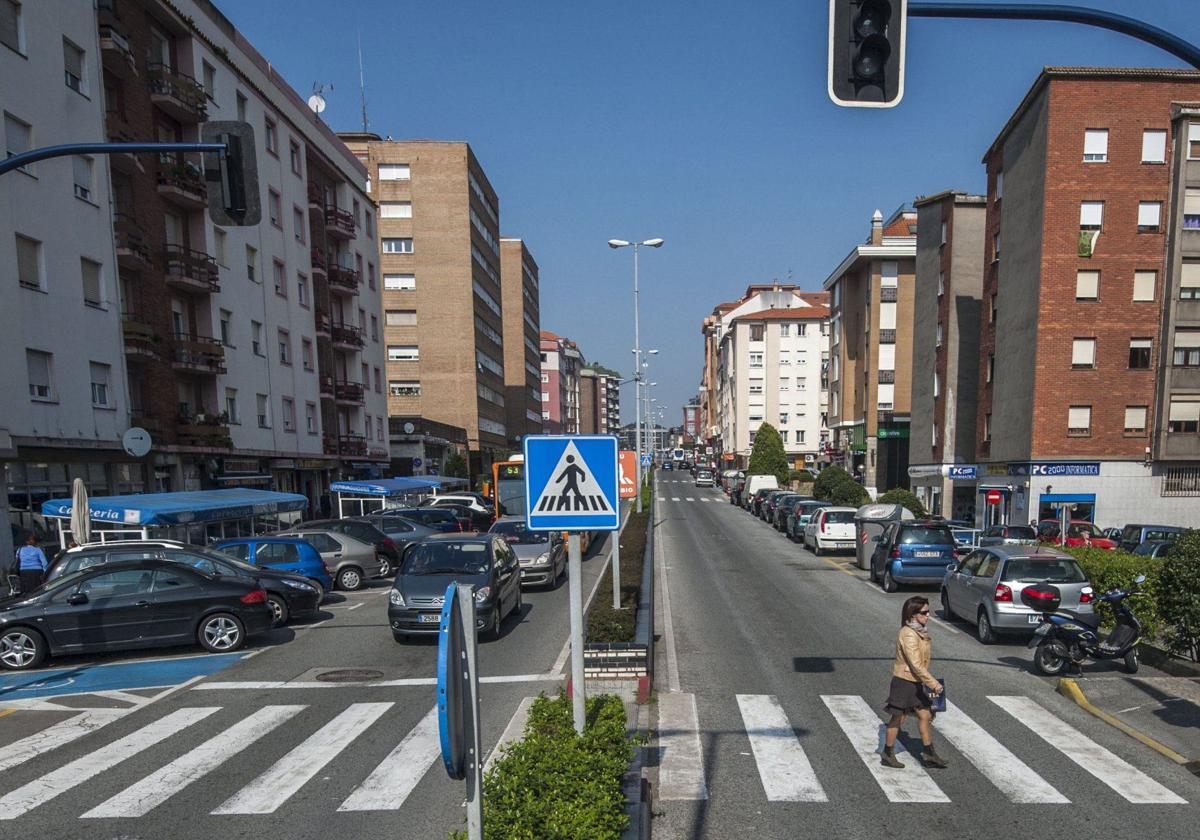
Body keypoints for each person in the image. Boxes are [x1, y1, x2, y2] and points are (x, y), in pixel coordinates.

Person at [882, 596, 948, 769]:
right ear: (912, 614)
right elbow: (915, 664)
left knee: (925, 715)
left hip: (916, 681)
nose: (928, 616)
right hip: (904, 682)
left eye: (928, 612)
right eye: (924, 612)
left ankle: (929, 754)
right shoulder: (908, 634)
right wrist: (933, 683)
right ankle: (887, 753)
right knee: (898, 718)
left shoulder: (919, 631)